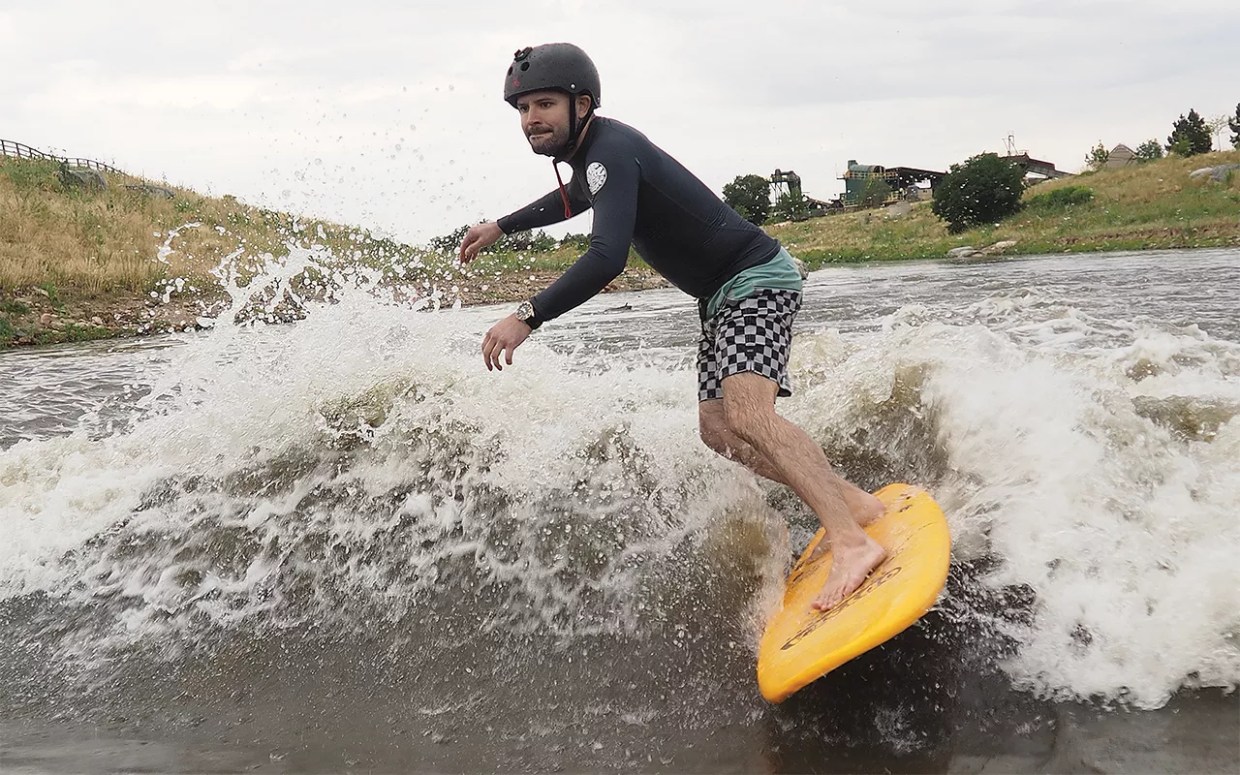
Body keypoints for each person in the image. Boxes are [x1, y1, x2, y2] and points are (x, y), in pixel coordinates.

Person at [457, 43, 885, 612]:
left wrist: (527, 315)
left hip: (755, 280)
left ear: (581, 104)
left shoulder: (609, 150)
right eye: (521, 109)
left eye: (543, 105)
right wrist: (503, 226)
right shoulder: (595, 158)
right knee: (719, 430)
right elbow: (572, 201)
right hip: (720, 295)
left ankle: (853, 543)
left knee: (751, 415)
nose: (531, 119)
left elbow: (607, 257)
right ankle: (853, 505)